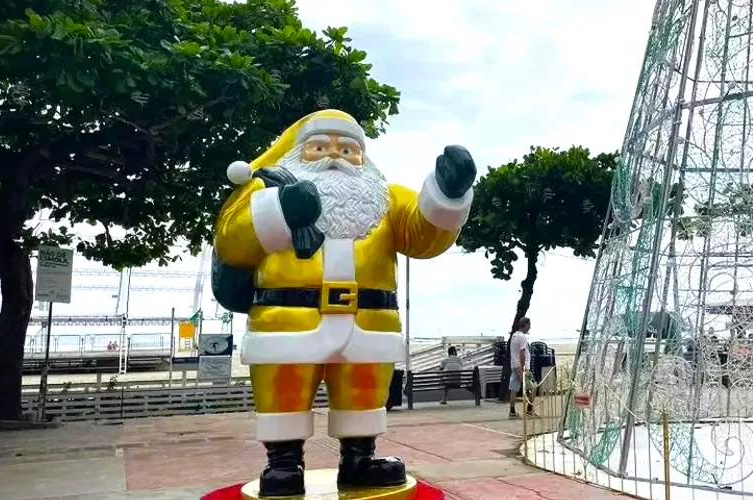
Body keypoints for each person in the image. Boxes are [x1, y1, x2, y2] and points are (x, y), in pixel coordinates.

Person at [213, 109, 477, 497]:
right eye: (320, 146)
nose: (335, 155)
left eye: (348, 148)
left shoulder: (387, 199)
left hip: (369, 320)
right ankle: (283, 460)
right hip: (289, 317)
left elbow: (424, 237)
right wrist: (280, 211)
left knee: (365, 390)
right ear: (298, 152)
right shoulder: (263, 191)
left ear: (364, 156)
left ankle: (360, 457)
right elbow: (232, 242)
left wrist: (449, 192)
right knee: (284, 388)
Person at [508, 317, 536, 419]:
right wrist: (523, 368)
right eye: (529, 325)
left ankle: (512, 411)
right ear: (525, 325)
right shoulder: (522, 337)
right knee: (533, 387)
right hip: (521, 367)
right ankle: (529, 409)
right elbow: (522, 352)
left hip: (514, 366)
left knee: (514, 388)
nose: (530, 327)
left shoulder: (514, 335)